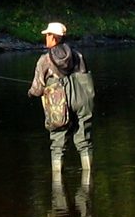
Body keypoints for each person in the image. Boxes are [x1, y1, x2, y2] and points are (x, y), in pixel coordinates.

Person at [29, 21, 93, 175]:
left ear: (54, 37)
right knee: (85, 141)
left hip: (58, 105)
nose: (45, 38)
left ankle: (58, 183)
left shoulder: (44, 60)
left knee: (57, 144)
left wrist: (30, 93)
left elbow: (37, 90)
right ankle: (89, 177)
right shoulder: (78, 56)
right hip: (82, 101)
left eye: (47, 35)